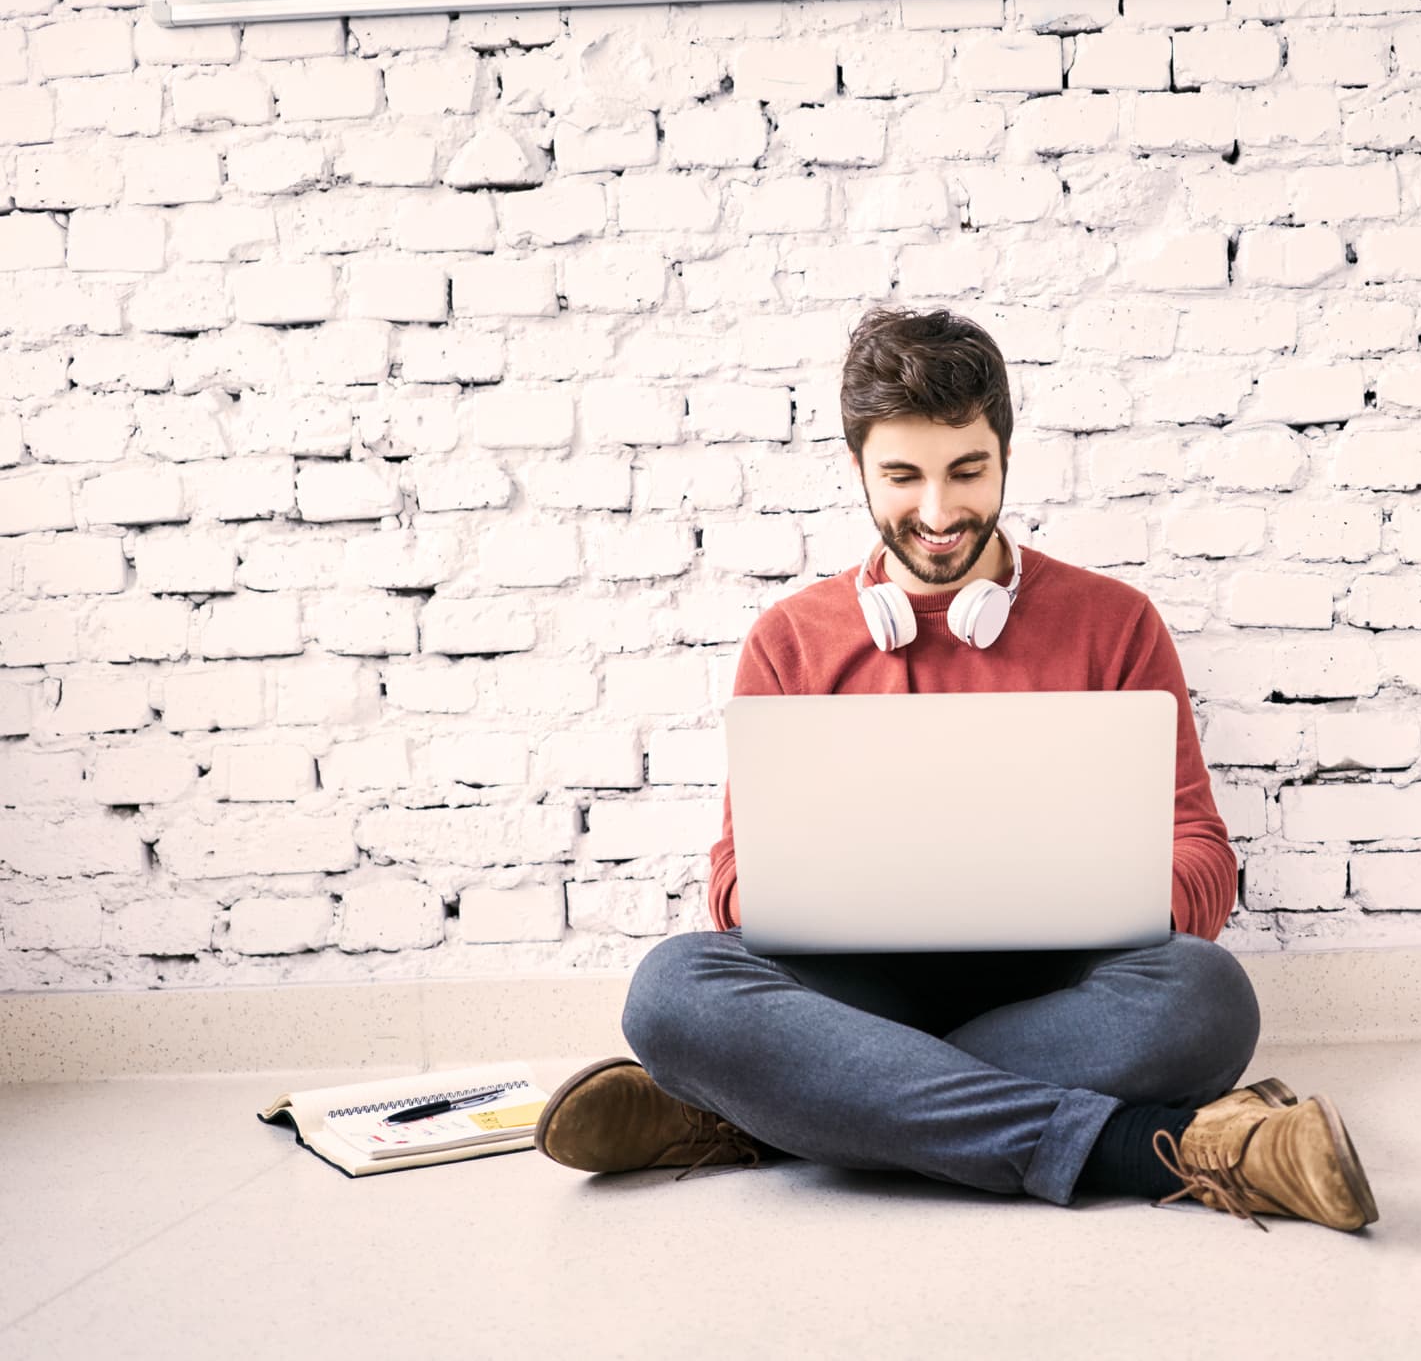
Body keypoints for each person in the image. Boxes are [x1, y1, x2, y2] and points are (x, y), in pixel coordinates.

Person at [534, 307, 1378, 1232]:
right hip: (852, 986)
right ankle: (1155, 1148)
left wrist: (1095, 894)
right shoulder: (789, 642)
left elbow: (1201, 854)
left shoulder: (1116, 624)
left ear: (1006, 458)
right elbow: (735, 882)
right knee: (672, 991)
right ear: (857, 469)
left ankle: (770, 1112)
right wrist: (810, 892)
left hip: (1058, 991)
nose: (937, 514)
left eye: (967, 472)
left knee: (1206, 999)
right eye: (902, 476)